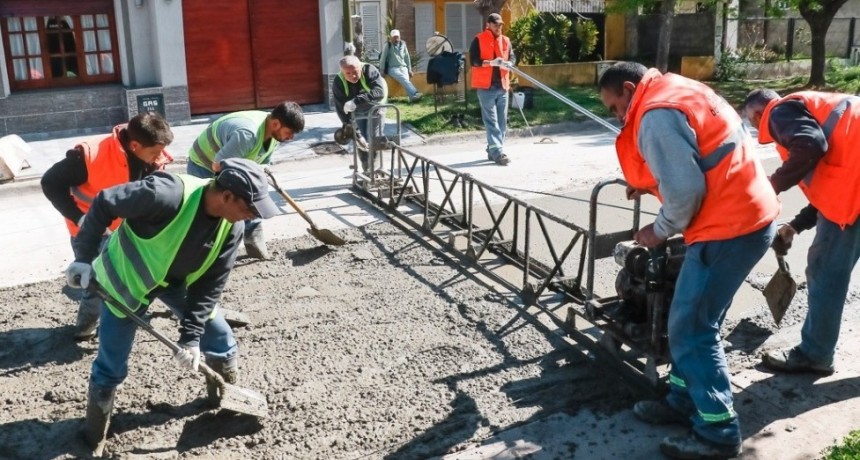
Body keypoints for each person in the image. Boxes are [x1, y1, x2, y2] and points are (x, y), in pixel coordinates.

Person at [598, 62, 780, 459]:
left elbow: (684, 190)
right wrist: (650, 183)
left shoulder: (654, 114)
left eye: (615, 107)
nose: (617, 116)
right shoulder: (675, 89)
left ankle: (718, 431)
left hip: (729, 227)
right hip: (746, 216)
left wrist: (657, 230)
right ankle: (683, 400)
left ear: (629, 89)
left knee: (691, 329)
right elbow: (700, 156)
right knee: (692, 321)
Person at [64, 158, 279, 456]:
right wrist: (84, 258)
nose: (252, 215)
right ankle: (93, 436)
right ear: (227, 196)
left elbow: (210, 286)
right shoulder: (165, 194)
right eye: (250, 208)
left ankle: (223, 402)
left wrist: (190, 338)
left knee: (219, 338)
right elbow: (105, 201)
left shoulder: (232, 228)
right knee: (111, 364)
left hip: (177, 283)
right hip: (127, 280)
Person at [744, 88, 860, 376]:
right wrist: (795, 226)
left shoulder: (780, 111)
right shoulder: (817, 108)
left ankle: (815, 354)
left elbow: (810, 146)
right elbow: (831, 183)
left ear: (760, 114)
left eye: (753, 123)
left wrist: (770, 187)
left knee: (825, 271)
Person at [41, 113, 174, 341]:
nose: (158, 158)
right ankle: (85, 329)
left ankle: (116, 325)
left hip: (125, 230)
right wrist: (79, 217)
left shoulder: (153, 158)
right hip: (91, 231)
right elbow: (50, 182)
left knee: (130, 279)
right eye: (154, 152)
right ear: (135, 145)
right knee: (95, 284)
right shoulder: (90, 156)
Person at [187, 101, 304, 260]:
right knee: (214, 211)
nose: (291, 138)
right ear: (276, 123)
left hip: (229, 162)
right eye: (290, 132)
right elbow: (217, 165)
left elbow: (263, 161)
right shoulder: (248, 134)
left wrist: (261, 170)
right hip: (204, 164)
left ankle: (254, 240)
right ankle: (205, 256)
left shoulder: (274, 134)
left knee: (252, 195)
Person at [470, 13, 516, 166]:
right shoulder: (479, 39)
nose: (498, 27)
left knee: (502, 122)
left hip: (502, 86)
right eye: (495, 24)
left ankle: (492, 149)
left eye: (500, 24)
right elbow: (474, 61)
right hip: (486, 87)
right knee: (492, 122)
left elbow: (512, 57)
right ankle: (498, 153)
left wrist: (509, 63)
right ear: (488, 24)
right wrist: (491, 63)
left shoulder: (506, 40)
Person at [332, 55, 388, 172]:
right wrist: (356, 134)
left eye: (355, 71)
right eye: (348, 73)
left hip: (375, 104)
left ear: (360, 67)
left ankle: (376, 170)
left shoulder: (369, 70)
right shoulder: (338, 82)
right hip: (356, 108)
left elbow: (379, 92)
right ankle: (366, 170)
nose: (353, 75)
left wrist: (355, 101)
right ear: (342, 73)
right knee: (361, 140)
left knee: (375, 137)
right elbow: (342, 111)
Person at [380, 29, 422, 102]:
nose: (396, 39)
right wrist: (382, 70)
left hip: (403, 67)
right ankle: (415, 92)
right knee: (403, 79)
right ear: (391, 38)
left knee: (405, 80)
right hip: (392, 68)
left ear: (399, 37)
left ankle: (413, 99)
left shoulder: (403, 44)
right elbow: (383, 58)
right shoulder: (388, 45)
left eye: (397, 37)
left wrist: (409, 69)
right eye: (394, 37)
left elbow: (407, 57)